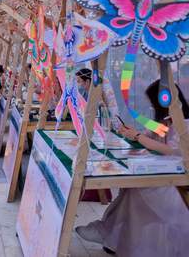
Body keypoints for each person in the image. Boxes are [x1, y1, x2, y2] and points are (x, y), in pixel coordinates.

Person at [75, 80, 189, 256]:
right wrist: (134, 133)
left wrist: (138, 136)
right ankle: (110, 234)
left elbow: (172, 150)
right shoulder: (166, 121)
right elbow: (150, 135)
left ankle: (109, 233)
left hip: (177, 183)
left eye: (154, 103)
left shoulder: (185, 124)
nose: (152, 107)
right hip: (164, 174)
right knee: (130, 188)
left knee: (137, 190)